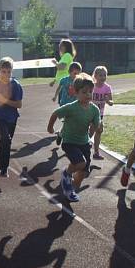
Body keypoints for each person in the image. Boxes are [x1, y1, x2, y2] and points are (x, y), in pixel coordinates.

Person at [47, 73, 101, 202]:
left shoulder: (94, 110)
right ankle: (66, 173)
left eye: (90, 92)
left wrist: (92, 134)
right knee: (80, 163)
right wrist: (50, 128)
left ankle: (71, 189)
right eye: (84, 92)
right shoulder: (71, 107)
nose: (88, 95)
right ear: (76, 93)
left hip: (84, 142)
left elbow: (95, 125)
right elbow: (55, 113)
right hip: (70, 141)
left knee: (83, 172)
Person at [0, 57, 23, 177]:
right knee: (6, 138)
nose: (6, 74)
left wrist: (4, 100)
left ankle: (0, 157)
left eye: (9, 72)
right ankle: (4, 167)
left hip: (12, 117)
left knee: (6, 142)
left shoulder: (16, 86)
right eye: (3, 71)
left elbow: (19, 104)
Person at [52, 61, 82, 145]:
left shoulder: (79, 82)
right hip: (65, 104)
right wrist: (55, 96)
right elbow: (59, 88)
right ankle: (66, 139)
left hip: (75, 104)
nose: (77, 76)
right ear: (69, 72)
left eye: (78, 74)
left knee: (71, 122)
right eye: (75, 73)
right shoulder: (64, 80)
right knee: (68, 122)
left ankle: (61, 135)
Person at [90, 66, 114, 160]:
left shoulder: (107, 88)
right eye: (100, 75)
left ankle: (95, 152)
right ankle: (84, 146)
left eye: (105, 75)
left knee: (98, 131)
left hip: (100, 113)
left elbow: (111, 102)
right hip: (90, 111)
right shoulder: (92, 86)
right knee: (94, 130)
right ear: (95, 76)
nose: (103, 77)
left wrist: (108, 101)